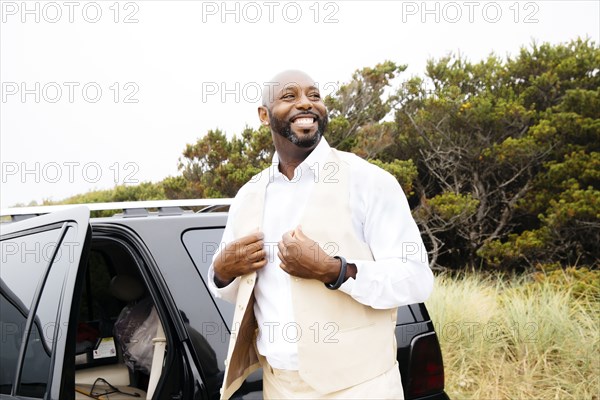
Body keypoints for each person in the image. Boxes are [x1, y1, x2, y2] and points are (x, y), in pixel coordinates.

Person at [208, 70, 433, 399]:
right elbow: (239, 290)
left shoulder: (369, 181)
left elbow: (416, 278)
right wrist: (222, 271)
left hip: (361, 386)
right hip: (279, 386)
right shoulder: (247, 197)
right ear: (263, 114)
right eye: (289, 97)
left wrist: (336, 270)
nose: (306, 104)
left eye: (314, 96)